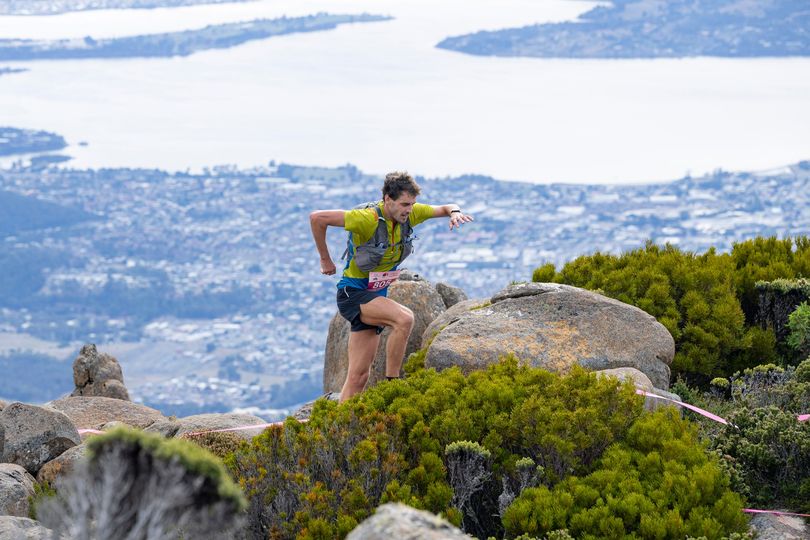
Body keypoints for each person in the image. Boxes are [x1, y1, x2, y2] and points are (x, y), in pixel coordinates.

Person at [310, 171, 473, 402]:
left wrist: (455, 212)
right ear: (388, 200)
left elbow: (447, 206)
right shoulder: (367, 219)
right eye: (404, 204)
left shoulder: (411, 214)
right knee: (404, 318)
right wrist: (325, 259)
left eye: (412, 204)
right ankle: (393, 384)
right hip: (353, 294)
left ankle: (341, 422)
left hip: (374, 294)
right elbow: (317, 218)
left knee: (358, 376)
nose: (409, 209)